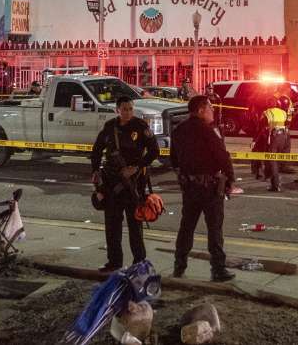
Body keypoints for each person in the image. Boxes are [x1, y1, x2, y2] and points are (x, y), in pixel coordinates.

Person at [90, 95, 159, 273]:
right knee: (112, 227)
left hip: (133, 184)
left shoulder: (140, 127)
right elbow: (97, 150)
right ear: (117, 110)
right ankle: (114, 262)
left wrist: (136, 167)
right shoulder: (110, 127)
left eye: (130, 109)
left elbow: (154, 151)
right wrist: (95, 171)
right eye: (124, 109)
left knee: (135, 226)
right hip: (112, 184)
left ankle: (139, 264)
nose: (128, 112)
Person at [170, 95, 235, 282]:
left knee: (186, 228)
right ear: (200, 110)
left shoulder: (179, 130)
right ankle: (218, 269)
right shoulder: (209, 130)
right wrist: (230, 180)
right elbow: (222, 156)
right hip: (210, 188)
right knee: (214, 229)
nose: (212, 110)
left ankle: (179, 266)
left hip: (190, 187)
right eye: (210, 107)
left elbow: (174, 159)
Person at [261, 95, 291, 192]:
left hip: (274, 138)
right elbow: (288, 123)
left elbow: (262, 126)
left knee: (272, 160)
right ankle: (274, 179)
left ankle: (275, 185)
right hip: (284, 137)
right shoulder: (283, 112)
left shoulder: (267, 112)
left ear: (267, 103)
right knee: (276, 160)